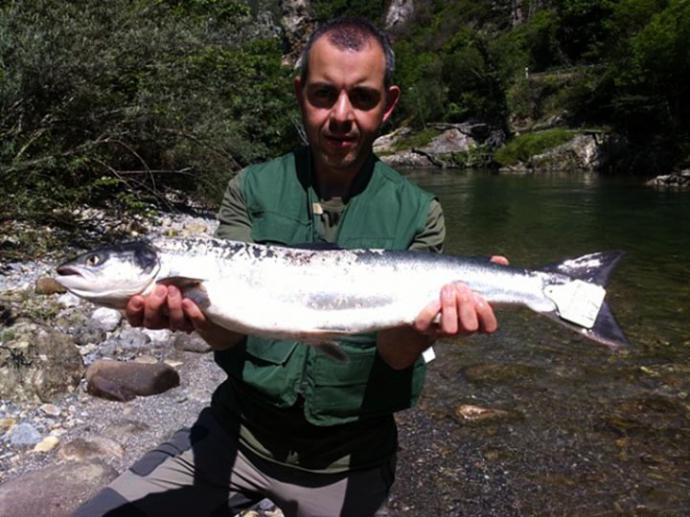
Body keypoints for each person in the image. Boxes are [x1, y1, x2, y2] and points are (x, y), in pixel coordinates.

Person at [74, 17, 504, 517]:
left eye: (362, 98)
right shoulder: (250, 190)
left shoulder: (419, 212)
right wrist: (187, 317)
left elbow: (395, 355)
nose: (341, 115)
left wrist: (428, 330)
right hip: (235, 438)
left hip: (349, 462)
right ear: (300, 93)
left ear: (387, 105)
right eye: (324, 94)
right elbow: (228, 335)